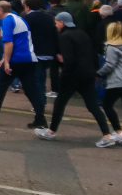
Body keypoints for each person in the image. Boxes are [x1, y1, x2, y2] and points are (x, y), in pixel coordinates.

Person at [36, 13, 112, 145]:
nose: (56, 25)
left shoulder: (65, 37)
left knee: (59, 104)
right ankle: (106, 135)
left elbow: (69, 60)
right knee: (92, 105)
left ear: (62, 23)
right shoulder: (82, 34)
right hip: (87, 74)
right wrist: (95, 72)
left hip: (73, 76)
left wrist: (63, 77)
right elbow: (93, 54)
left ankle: (51, 132)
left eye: (57, 23)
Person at [0, 0, 47, 129]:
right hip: (29, 59)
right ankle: (40, 118)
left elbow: (9, 42)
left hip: (16, 59)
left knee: (0, 87)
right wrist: (4, 58)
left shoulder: (7, 21)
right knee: (31, 90)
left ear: (1, 10)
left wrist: (7, 61)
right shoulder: (20, 19)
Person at [22, 0, 58, 101]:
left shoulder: (27, 19)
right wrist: (57, 51)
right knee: (41, 78)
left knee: (35, 79)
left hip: (34, 53)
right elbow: (54, 35)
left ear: (27, 7)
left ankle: (40, 102)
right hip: (48, 53)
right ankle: (42, 99)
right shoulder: (48, 17)